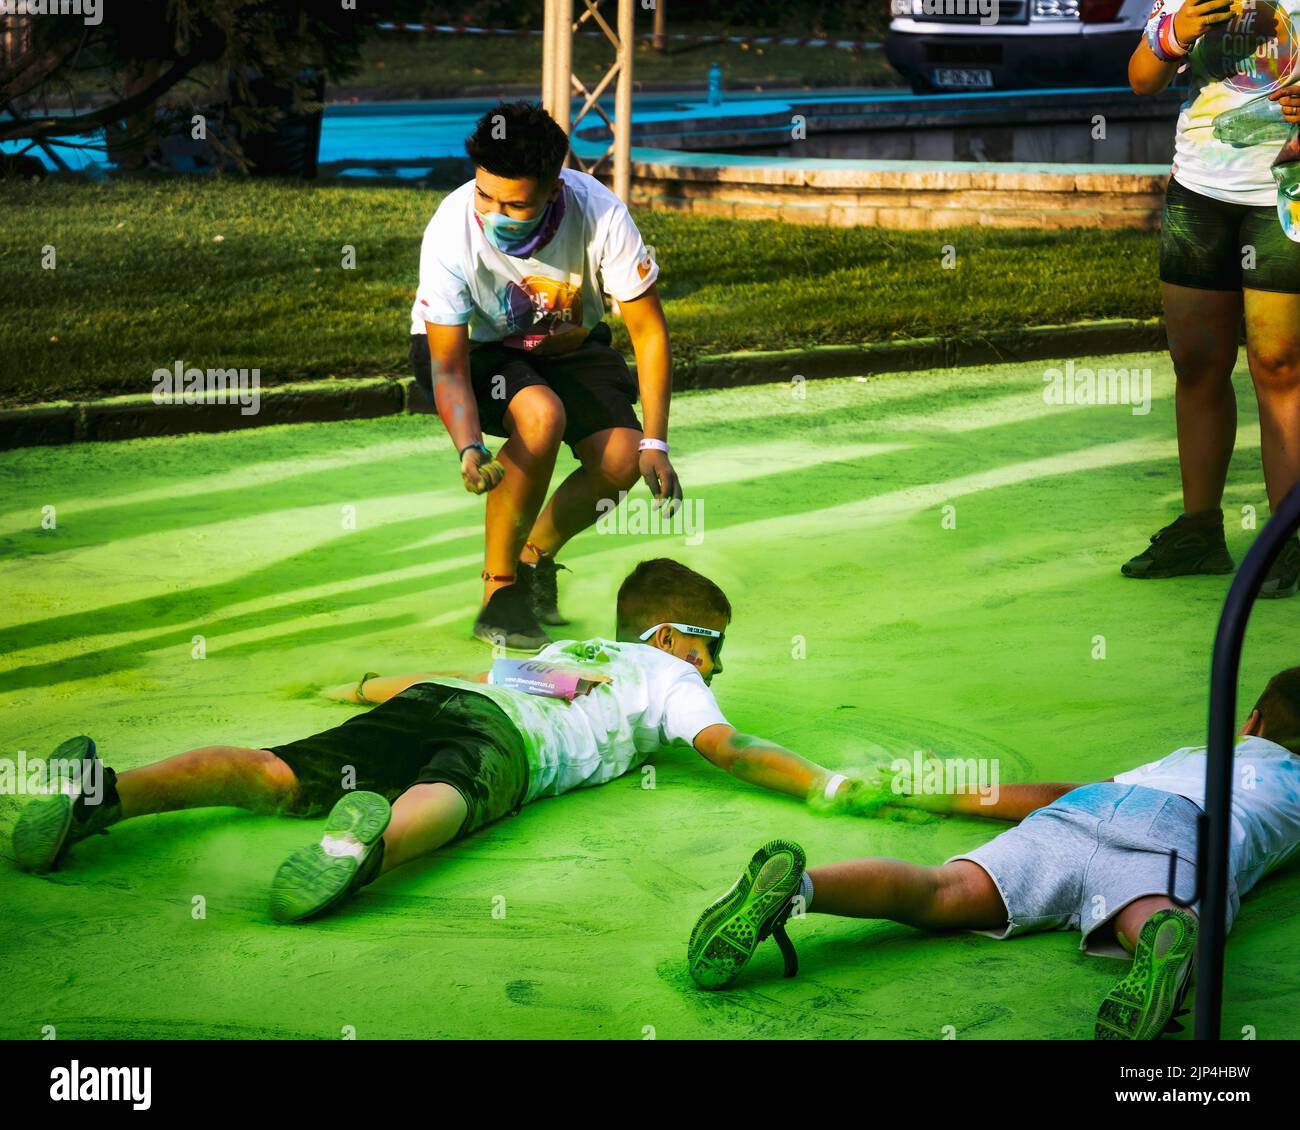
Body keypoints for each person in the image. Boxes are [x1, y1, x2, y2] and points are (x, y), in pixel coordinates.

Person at [11, 560, 881, 925]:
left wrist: (356, 686)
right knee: (454, 796)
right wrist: (820, 782)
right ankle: (370, 845)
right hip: (514, 739)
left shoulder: (556, 654)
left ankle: (109, 794)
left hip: (443, 695)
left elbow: (468, 683)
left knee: (276, 771)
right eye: (712, 645)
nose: (717, 666)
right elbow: (729, 749)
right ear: (667, 636)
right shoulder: (666, 678)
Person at [687, 667, 1300, 1040]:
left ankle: (803, 887)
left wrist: (947, 795)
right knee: (1162, 905)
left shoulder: (1193, 755)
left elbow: (1062, 792)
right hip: (1186, 829)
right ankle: (1161, 935)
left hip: (1093, 807)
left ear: (1252, 723)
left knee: (942, 891)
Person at [409, 101, 683, 650]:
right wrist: (467, 446)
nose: (492, 212)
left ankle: (533, 559)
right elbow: (447, 363)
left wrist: (656, 440)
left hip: (567, 348)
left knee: (622, 457)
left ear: (554, 191)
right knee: (541, 416)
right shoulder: (450, 228)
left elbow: (648, 333)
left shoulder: (600, 212)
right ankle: (499, 592)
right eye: (485, 195)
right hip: (478, 354)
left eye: (515, 204)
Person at [1123, 0, 1300, 596]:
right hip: (1199, 189)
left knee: (1278, 365)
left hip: (1286, 196)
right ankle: (1199, 531)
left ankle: (1286, 541)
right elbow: (1141, 78)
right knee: (1196, 361)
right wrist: (1176, 32)